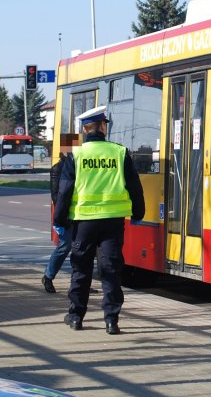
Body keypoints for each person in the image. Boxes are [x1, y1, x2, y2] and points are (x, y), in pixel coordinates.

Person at [54, 105, 144, 335]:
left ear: (85, 130)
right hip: (113, 222)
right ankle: (112, 320)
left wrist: (60, 221)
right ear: (103, 127)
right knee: (111, 270)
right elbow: (135, 186)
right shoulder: (120, 153)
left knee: (81, 269)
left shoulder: (77, 155)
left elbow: (64, 192)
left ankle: (75, 317)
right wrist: (138, 213)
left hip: (84, 222)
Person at [42, 153, 72, 293]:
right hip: (68, 214)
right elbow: (56, 196)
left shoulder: (82, 166)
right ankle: (48, 277)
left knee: (83, 250)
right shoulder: (58, 168)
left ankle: (81, 282)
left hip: (83, 212)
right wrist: (60, 218)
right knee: (64, 247)